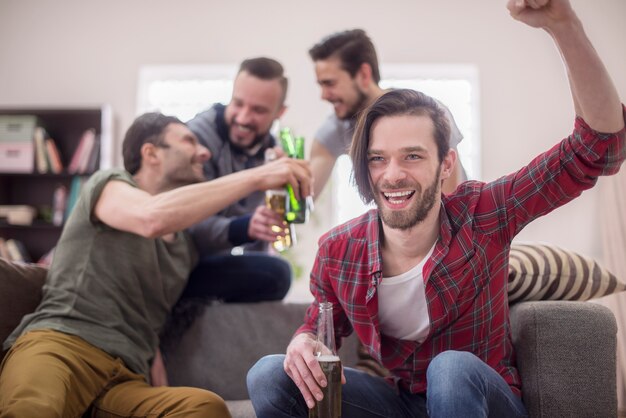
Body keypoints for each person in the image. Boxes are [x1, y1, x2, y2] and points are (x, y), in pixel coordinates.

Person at [246, 0, 625, 417]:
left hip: (479, 396)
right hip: (402, 400)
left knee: (451, 369)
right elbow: (321, 326)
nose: (392, 175)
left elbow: (597, 149)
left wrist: (563, 25)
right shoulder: (339, 250)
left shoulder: (482, 213)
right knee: (269, 374)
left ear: (445, 164)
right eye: (378, 158)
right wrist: (303, 341)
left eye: (412, 156)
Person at [0, 112, 311, 417]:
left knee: (205, 407)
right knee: (33, 410)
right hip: (64, 345)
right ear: (150, 153)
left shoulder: (184, 249)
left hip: (124, 378)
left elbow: (152, 320)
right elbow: (151, 217)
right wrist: (258, 176)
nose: (204, 152)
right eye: (190, 141)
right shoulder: (109, 185)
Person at [183, 57, 292, 303]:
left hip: (217, 257)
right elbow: (185, 222)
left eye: (258, 110)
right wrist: (245, 227)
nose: (243, 118)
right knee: (278, 275)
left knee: (274, 273)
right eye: (238, 103)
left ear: (279, 113)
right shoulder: (197, 139)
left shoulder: (271, 152)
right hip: (181, 258)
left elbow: (259, 239)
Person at [308, 28, 465, 199]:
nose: (323, 95)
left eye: (330, 83)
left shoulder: (429, 115)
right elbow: (303, 198)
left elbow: (450, 202)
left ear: (364, 74)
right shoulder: (336, 130)